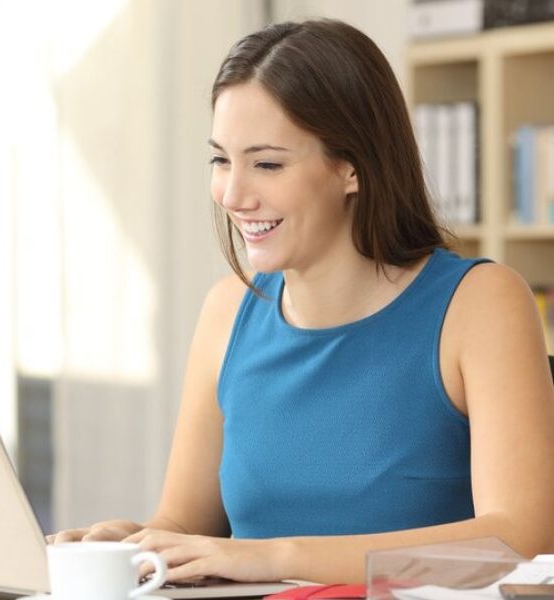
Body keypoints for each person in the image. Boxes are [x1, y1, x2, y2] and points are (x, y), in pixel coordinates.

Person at [49, 18, 554, 585]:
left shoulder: (480, 304)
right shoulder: (226, 311)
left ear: (351, 167)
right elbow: (186, 522)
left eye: (266, 163)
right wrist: (134, 543)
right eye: (221, 160)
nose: (234, 195)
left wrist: (273, 556)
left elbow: (518, 538)